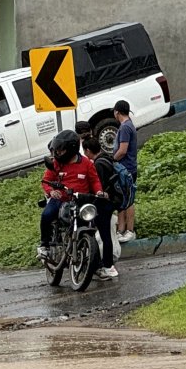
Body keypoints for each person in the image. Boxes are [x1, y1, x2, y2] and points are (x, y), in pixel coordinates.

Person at [38, 130, 106, 261]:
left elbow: (95, 181)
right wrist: (51, 191)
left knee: (92, 221)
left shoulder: (86, 163)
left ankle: (94, 259)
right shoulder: (56, 163)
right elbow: (46, 180)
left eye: (61, 150)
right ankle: (44, 246)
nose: (58, 153)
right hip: (60, 199)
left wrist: (99, 192)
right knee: (46, 215)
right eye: (57, 150)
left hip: (80, 200)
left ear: (70, 149)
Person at [82, 137, 120, 280]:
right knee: (106, 235)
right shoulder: (107, 158)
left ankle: (105, 265)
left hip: (102, 204)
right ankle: (108, 265)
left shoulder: (98, 164)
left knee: (102, 235)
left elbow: (99, 187)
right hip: (111, 202)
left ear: (88, 150)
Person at [112, 100, 139, 242]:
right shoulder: (128, 125)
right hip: (126, 168)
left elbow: (122, 150)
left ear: (117, 112)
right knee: (122, 200)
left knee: (128, 201)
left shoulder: (124, 128)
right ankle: (121, 229)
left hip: (126, 169)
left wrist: (112, 160)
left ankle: (130, 230)